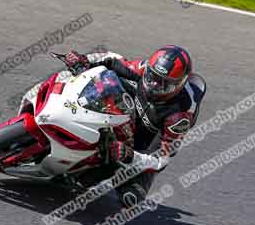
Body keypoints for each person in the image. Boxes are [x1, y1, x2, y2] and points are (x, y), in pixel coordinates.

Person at [64, 45, 206, 207]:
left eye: (164, 84)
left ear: (179, 86)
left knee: (131, 196)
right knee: (105, 80)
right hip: (128, 114)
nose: (154, 86)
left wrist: (129, 155)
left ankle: (110, 169)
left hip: (146, 144)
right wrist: (85, 60)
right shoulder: (146, 70)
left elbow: (161, 160)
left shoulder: (180, 116)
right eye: (152, 77)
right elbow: (113, 60)